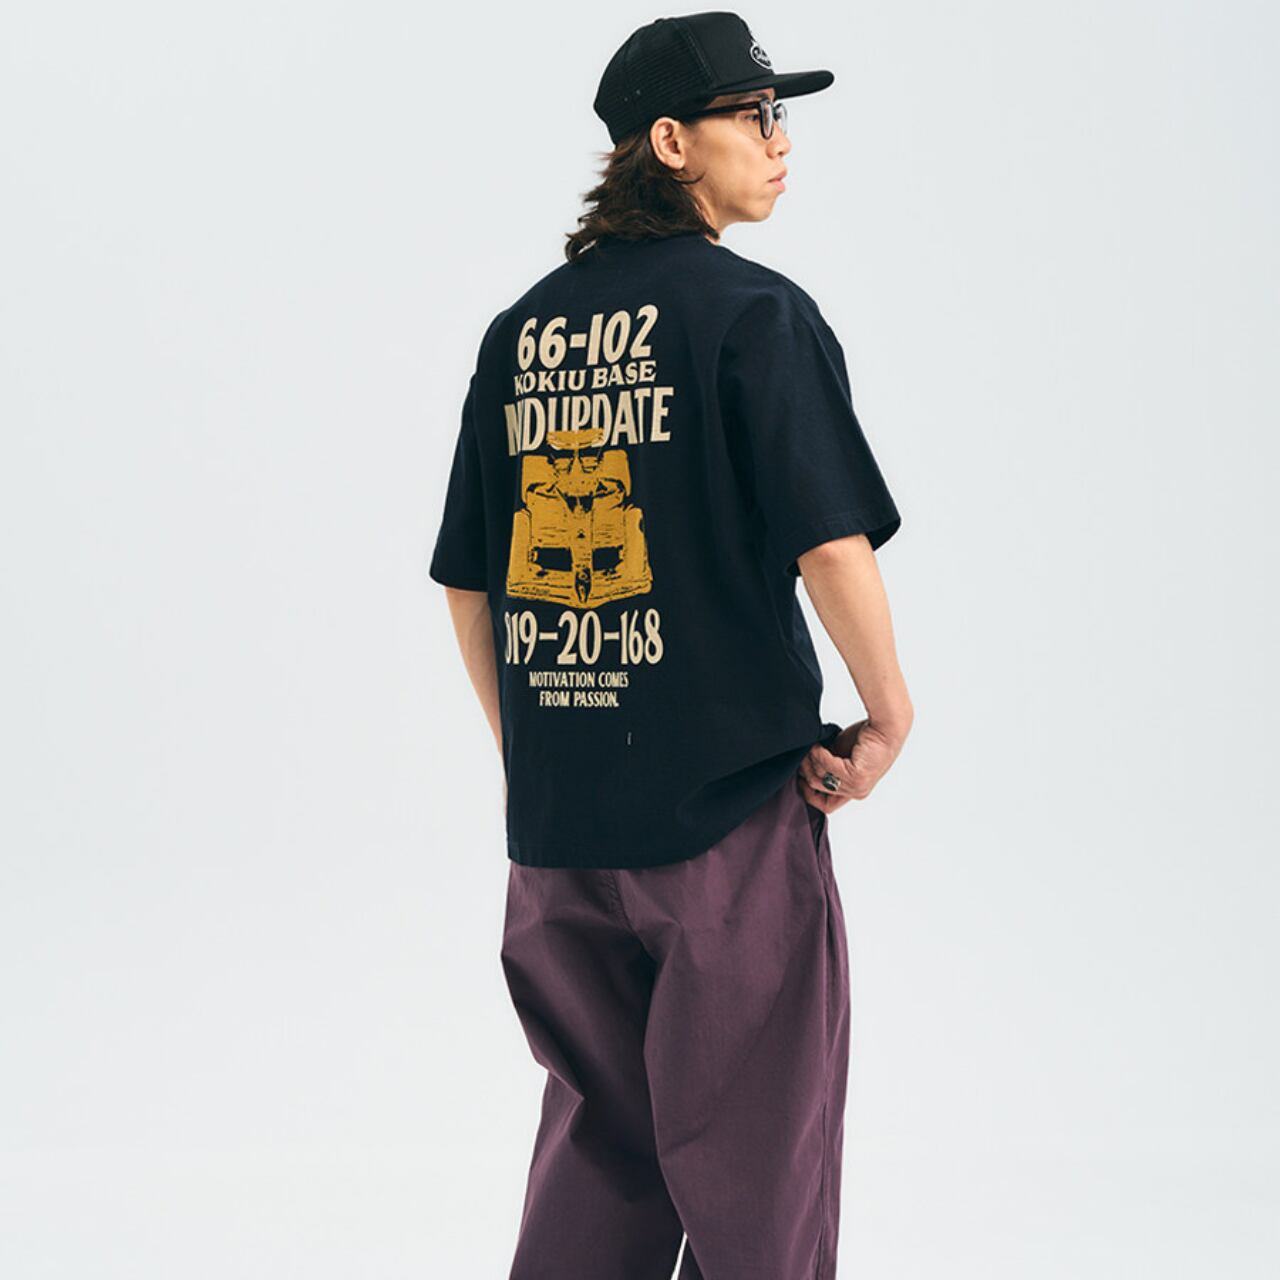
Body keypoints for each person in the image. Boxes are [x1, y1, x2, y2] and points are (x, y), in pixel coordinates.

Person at [428, 12, 913, 1278]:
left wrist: (535, 746)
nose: (779, 140)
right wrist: (887, 711)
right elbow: (828, 543)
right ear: (669, 142)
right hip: (723, 821)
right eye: (753, 115)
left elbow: (470, 583)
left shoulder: (520, 334)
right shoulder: (753, 317)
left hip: (558, 837)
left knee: (600, 1151)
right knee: (756, 1161)